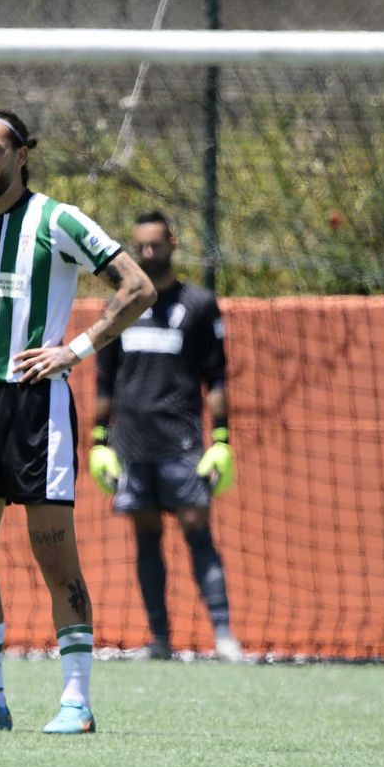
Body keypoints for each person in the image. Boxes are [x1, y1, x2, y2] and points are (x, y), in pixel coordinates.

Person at [0, 109, 156, 734]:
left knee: (54, 554)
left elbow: (136, 287)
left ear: (21, 154)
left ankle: (76, 703)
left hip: (37, 401)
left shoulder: (58, 220)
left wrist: (73, 350)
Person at [88, 211, 243, 662]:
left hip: (182, 444)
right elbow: (104, 380)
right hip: (132, 446)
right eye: (142, 247)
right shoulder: (120, 306)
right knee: (145, 535)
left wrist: (222, 441)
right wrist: (98, 443)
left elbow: (216, 378)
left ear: (173, 243)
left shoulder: (198, 304)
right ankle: (159, 640)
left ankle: (224, 635)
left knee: (197, 530)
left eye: (157, 245)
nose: (149, 254)